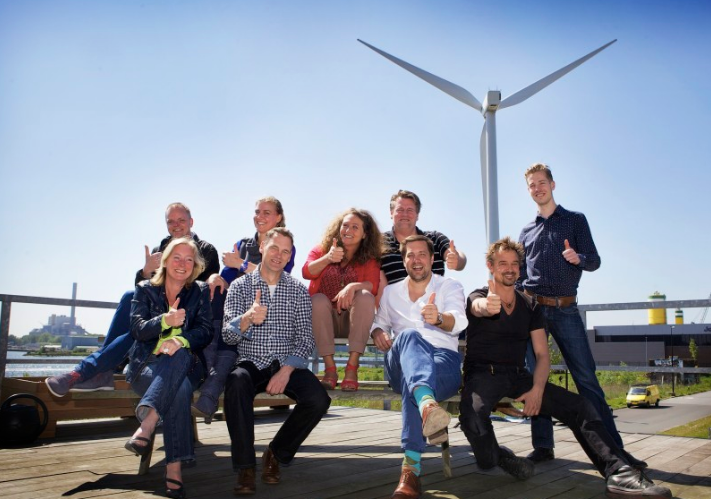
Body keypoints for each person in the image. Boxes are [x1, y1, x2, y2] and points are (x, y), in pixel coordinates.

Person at [459, 237, 671, 498]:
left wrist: (537, 389)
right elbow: (478, 309)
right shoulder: (478, 296)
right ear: (490, 266)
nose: (510, 268)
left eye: (515, 263)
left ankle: (619, 472)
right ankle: (499, 456)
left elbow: (542, 354)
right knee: (472, 419)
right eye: (502, 263)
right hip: (483, 374)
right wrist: (488, 306)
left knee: (580, 406)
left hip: (517, 376)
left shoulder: (529, 304)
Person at [45, 202, 219, 397]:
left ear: (191, 222)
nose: (176, 225)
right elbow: (142, 292)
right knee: (129, 298)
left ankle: (89, 371)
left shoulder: (206, 250)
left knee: (136, 333)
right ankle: (102, 369)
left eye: (181, 220)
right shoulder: (160, 248)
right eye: (170, 221)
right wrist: (145, 272)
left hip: (183, 320)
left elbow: (199, 294)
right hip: (157, 315)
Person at [516, 163, 626, 463]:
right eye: (531, 185)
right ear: (529, 190)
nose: (537, 188)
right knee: (535, 378)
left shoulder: (576, 221)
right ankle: (543, 446)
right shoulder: (525, 232)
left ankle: (614, 448)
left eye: (542, 182)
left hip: (566, 309)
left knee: (586, 378)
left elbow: (595, 261)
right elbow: (519, 276)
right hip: (534, 312)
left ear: (553, 184)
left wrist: (579, 258)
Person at [222, 228, 330, 495]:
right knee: (236, 384)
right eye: (274, 248)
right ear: (262, 246)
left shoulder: (298, 290)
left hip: (286, 361)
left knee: (318, 399)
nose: (279, 255)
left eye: (286, 251)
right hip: (251, 360)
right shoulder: (239, 286)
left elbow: (306, 338)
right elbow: (227, 336)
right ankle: (245, 467)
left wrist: (287, 370)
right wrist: (246, 319)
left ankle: (276, 453)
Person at [371, 235, 466, 499]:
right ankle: (428, 405)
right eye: (410, 255)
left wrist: (439, 319)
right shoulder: (391, 292)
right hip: (400, 362)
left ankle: (411, 471)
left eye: (422, 254)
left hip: (442, 361)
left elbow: (459, 320)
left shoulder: (449, 285)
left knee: (417, 385)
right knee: (410, 336)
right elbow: (378, 322)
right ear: (403, 261)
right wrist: (378, 331)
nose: (416, 260)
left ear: (432, 258)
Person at [125, 237, 213, 499]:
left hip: (188, 364)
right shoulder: (144, 289)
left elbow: (206, 331)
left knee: (180, 355)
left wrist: (181, 339)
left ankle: (148, 422)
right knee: (179, 389)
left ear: (196, 265)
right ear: (164, 261)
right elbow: (137, 330)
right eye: (177, 257)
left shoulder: (199, 291)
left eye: (189, 259)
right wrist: (164, 321)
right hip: (147, 367)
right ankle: (174, 468)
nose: (183, 264)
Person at [192, 196, 295, 418]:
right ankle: (208, 369)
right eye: (257, 212)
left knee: (236, 317)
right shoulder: (242, 244)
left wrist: (241, 264)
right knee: (214, 292)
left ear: (279, 217)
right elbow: (226, 277)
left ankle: (210, 377)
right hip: (238, 305)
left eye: (267, 212)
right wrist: (214, 278)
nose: (260, 216)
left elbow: (278, 277)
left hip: (268, 304)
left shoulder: (285, 245)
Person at [302, 208, 382, 391]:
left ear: (364, 234)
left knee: (364, 296)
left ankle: (352, 368)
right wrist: (327, 259)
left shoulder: (369, 259)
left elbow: (373, 286)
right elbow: (307, 272)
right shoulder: (321, 250)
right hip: (324, 320)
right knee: (318, 300)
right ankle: (330, 369)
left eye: (355, 227)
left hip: (351, 321)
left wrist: (353, 286)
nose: (348, 230)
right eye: (345, 225)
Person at [378, 189, 467, 300]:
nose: (405, 214)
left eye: (410, 210)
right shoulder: (379, 243)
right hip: (395, 311)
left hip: (434, 306)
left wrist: (456, 259)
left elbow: (459, 257)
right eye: (400, 209)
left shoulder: (434, 238)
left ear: (417, 215)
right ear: (391, 213)